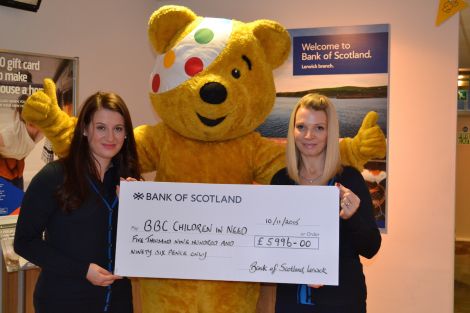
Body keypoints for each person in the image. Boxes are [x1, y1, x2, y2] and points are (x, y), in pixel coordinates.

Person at [13, 90, 142, 313]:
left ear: (126, 134)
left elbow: (138, 245)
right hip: (63, 300)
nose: (110, 137)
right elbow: (24, 241)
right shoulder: (54, 176)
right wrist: (82, 270)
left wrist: (137, 211)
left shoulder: (130, 182)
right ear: (84, 129)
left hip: (117, 301)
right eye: (101, 127)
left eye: (118, 129)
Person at [271, 93, 382, 313]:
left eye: (319, 128)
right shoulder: (281, 181)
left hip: (342, 303)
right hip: (291, 304)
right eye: (301, 127)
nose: (309, 135)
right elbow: (272, 247)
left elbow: (371, 248)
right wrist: (298, 270)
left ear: (330, 132)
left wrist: (353, 217)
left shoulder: (349, 179)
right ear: (292, 131)